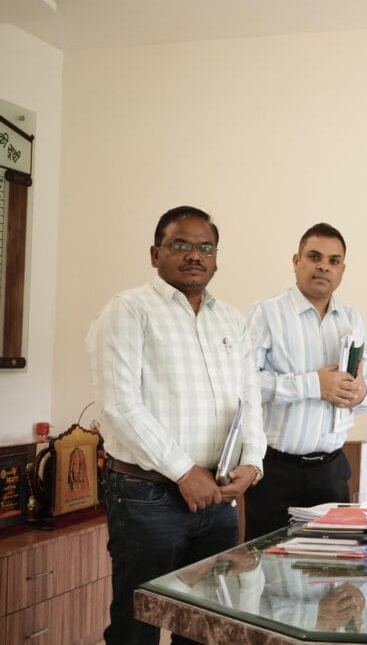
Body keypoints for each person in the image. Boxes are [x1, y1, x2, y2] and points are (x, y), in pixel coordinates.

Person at [86, 205, 266, 644]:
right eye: (181, 244)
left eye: (206, 247)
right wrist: (185, 471)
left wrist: (254, 462)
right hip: (147, 497)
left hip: (218, 499)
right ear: (155, 254)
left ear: (216, 258)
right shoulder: (128, 311)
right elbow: (119, 406)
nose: (194, 255)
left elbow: (250, 400)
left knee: (206, 629)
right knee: (137, 628)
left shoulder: (232, 319)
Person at [244, 223, 367, 539]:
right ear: (296, 261)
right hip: (275, 471)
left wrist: (360, 393)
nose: (324, 266)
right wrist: (313, 385)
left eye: (334, 261)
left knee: (333, 565)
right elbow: (242, 384)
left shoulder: (353, 318)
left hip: (331, 472)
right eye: (315, 257)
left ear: (342, 270)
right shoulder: (265, 313)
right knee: (269, 564)